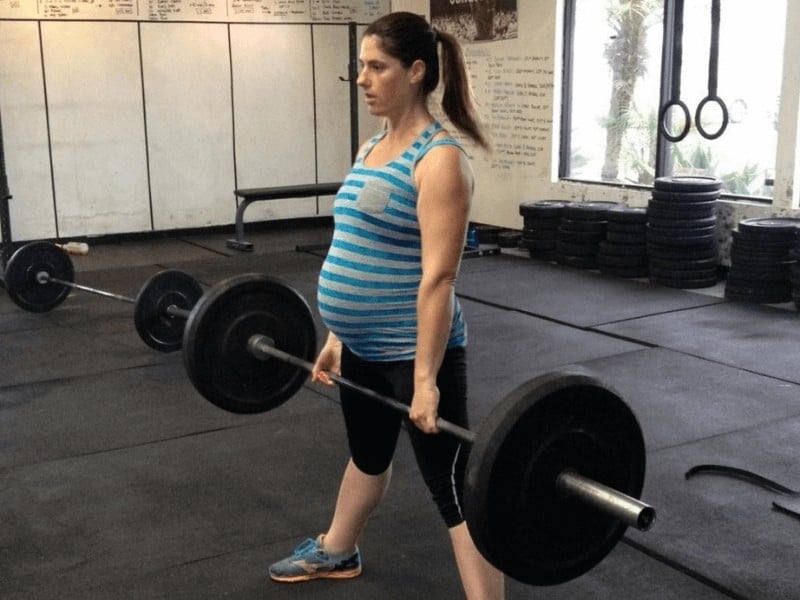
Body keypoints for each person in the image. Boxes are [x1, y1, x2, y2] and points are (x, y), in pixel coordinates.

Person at [268, 11, 504, 600]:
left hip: (414, 353)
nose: (364, 79)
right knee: (368, 455)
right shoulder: (372, 145)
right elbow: (358, 243)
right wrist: (337, 336)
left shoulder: (440, 160)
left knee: (453, 486)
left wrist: (425, 382)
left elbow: (439, 279)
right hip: (364, 349)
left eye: (377, 67)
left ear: (417, 72)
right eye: (361, 67)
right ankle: (338, 548)